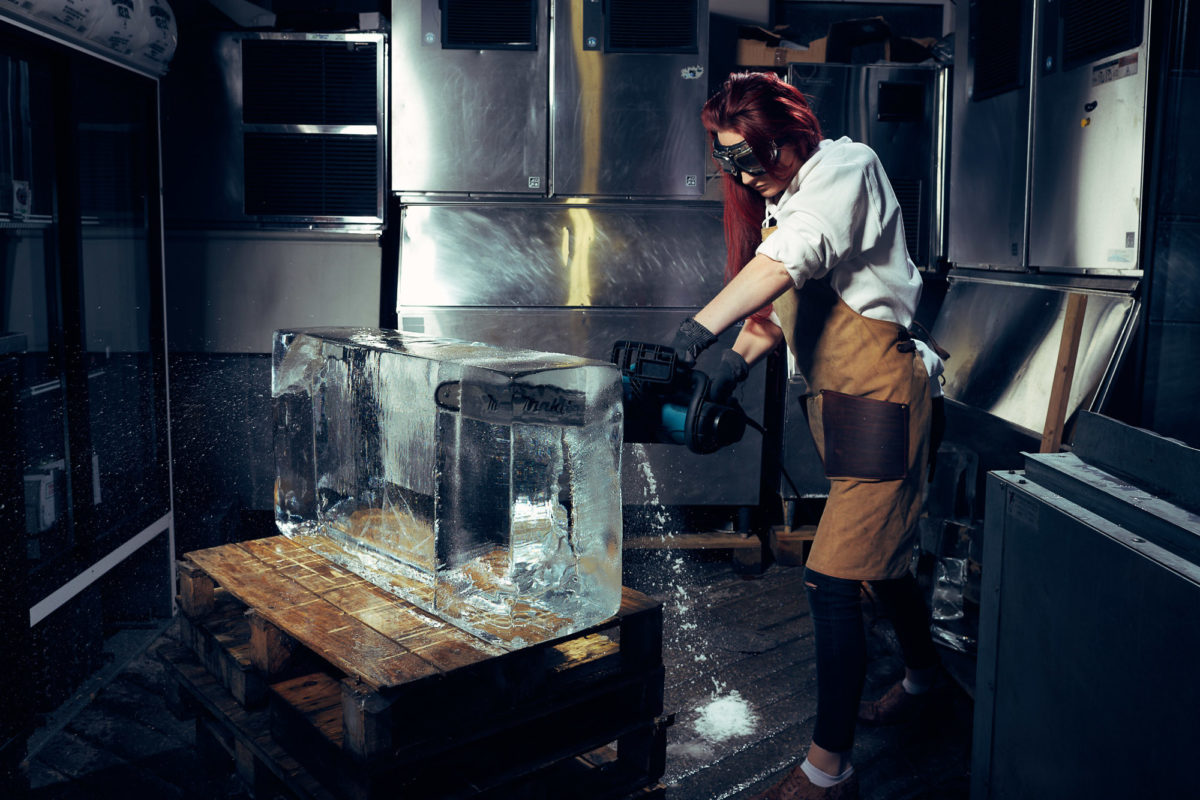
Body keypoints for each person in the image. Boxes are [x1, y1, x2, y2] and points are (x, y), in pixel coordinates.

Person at [669, 71, 946, 800]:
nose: (745, 174)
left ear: (792, 137)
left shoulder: (843, 169)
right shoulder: (783, 205)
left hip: (881, 398)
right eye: (731, 162)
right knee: (880, 563)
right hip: (839, 405)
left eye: (754, 158)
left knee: (832, 578)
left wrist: (694, 332)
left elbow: (796, 257)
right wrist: (727, 369)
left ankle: (830, 768)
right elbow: (774, 310)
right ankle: (924, 682)